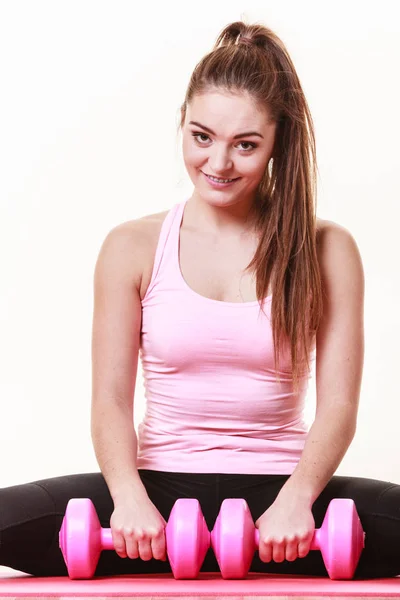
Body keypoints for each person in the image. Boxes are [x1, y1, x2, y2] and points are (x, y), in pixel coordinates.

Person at [1, 20, 399, 580]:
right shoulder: (131, 246)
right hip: (158, 492)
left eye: (246, 145)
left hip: (283, 497)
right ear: (182, 127)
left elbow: (338, 405)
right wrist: (129, 500)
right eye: (202, 136)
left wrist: (297, 500)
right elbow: (110, 402)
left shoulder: (327, 248)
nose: (218, 164)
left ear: (278, 142)